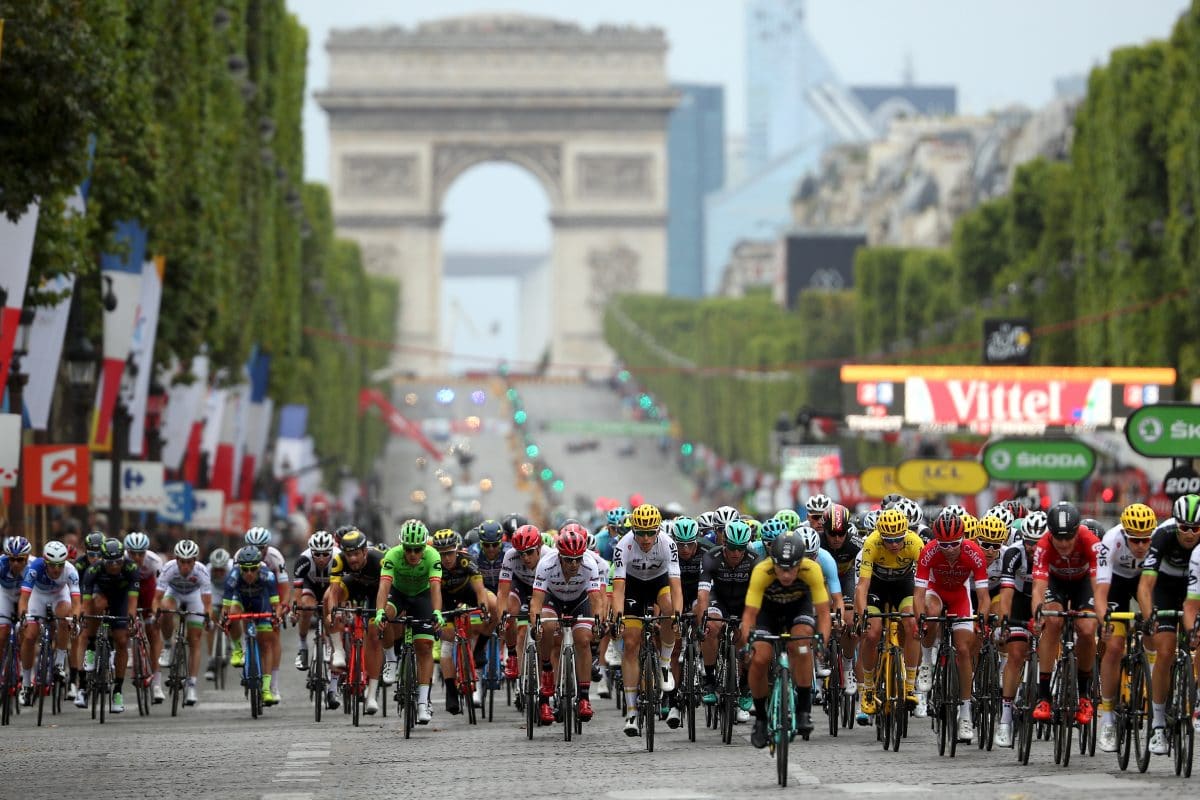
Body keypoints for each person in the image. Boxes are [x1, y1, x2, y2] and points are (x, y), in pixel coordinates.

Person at [741, 530, 831, 747]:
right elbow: (749, 615)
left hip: (797, 609)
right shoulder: (762, 570)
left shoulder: (812, 570)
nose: (787, 574)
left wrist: (822, 642)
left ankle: (803, 711)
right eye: (781, 567)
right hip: (767, 613)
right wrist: (746, 644)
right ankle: (761, 718)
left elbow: (824, 613)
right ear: (773, 561)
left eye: (792, 568)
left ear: (801, 562)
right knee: (759, 658)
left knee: (801, 645)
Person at [914, 512, 990, 743]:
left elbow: (984, 598)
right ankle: (927, 661)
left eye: (954, 544)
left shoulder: (974, 554)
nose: (948, 549)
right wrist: (920, 622)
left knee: (964, 650)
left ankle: (965, 713)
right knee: (932, 615)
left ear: (963, 538)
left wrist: (981, 622)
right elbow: (918, 594)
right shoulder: (928, 552)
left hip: (959, 595)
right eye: (943, 544)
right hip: (935, 592)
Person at [610, 503, 683, 736]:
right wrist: (618, 616)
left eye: (650, 532)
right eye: (640, 532)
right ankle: (632, 711)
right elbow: (619, 589)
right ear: (633, 531)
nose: (645, 538)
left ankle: (663, 664)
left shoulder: (668, 544)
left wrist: (678, 616)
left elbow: (676, 586)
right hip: (632, 588)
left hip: (658, 583)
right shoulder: (624, 546)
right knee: (631, 643)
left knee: (670, 609)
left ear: (658, 530)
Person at [1138, 493, 1200, 755]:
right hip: (1164, 586)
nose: (1189, 533)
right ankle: (1159, 725)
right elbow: (1145, 585)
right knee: (1164, 650)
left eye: (1196, 528)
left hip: (1194, 588)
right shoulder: (1161, 536)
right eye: (1184, 527)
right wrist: (1150, 614)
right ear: (1175, 523)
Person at [1031, 501, 1101, 727]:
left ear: (1076, 532)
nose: (1062, 543)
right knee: (1051, 621)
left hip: (1083, 584)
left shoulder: (1090, 541)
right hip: (1056, 584)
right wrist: (1037, 615)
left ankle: (1084, 695)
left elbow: (1098, 584)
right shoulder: (1043, 545)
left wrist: (1102, 614)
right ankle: (1043, 696)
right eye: (1057, 537)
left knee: (1088, 629)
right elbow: (1038, 587)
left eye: (1067, 538)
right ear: (1050, 534)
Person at [528, 523, 606, 725]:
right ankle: (546, 677)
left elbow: (597, 600)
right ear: (560, 556)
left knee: (583, 640)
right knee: (546, 627)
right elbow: (536, 601)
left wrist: (598, 622)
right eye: (569, 560)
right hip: (553, 599)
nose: (574, 564)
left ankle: (584, 697)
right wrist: (535, 623)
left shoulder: (589, 564)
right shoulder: (546, 563)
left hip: (579, 601)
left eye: (577, 559)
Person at [1095, 502, 1156, 752]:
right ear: (1124, 535)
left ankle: (1153, 678)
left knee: (1155, 629)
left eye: (1145, 540)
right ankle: (1108, 719)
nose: (1141, 546)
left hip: (1146, 581)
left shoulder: (1157, 544)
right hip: (1115, 583)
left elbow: (1154, 590)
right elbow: (1099, 590)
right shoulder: (1110, 541)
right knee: (1115, 647)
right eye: (1135, 540)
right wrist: (1103, 619)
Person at [376, 520, 443, 724]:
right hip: (399, 594)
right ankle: (390, 659)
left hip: (422, 596)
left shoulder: (433, 555)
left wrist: (437, 612)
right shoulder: (392, 555)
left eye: (417, 549)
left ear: (424, 546)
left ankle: (423, 704)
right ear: (402, 546)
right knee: (385, 617)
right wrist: (379, 612)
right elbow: (384, 586)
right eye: (408, 549)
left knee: (425, 646)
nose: (413, 554)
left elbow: (435, 589)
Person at [78, 539, 140, 712]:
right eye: (110, 562)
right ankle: (91, 646)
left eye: (118, 562)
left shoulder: (131, 568)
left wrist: (131, 617)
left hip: (121, 598)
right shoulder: (94, 569)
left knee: (121, 640)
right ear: (103, 560)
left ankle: (118, 691)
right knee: (95, 605)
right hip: (101, 593)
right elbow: (86, 600)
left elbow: (133, 601)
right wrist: (84, 613)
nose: (114, 566)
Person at [18, 541, 81, 706]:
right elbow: (24, 599)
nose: (56, 569)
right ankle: (26, 684)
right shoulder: (35, 568)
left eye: (60, 565)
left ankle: (59, 662)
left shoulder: (71, 571)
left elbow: (76, 602)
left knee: (64, 616)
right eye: (52, 565)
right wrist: (23, 615)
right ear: (45, 562)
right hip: (37, 597)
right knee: (30, 636)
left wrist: (74, 619)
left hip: (60, 597)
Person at [221, 546, 282, 704]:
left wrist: (277, 616)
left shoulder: (267, 575)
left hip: (261, 604)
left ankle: (267, 689)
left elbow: (276, 604)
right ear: (239, 567)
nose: (249, 573)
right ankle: (238, 650)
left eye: (253, 569)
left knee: (266, 644)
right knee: (233, 613)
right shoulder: (233, 575)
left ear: (259, 567)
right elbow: (225, 606)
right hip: (241, 601)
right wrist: (225, 617)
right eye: (245, 569)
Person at [155, 539, 213, 706]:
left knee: (194, 639)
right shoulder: (168, 568)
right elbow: (157, 598)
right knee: (165, 608)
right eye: (182, 561)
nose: (185, 566)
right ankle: (167, 645)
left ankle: (192, 684)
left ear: (195, 561)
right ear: (176, 559)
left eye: (189, 562)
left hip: (194, 596)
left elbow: (207, 602)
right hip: (174, 593)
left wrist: (207, 617)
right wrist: (156, 613)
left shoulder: (202, 571)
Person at [123, 531, 165, 703]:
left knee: (153, 631)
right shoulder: (122, 559)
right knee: (124, 621)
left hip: (148, 589)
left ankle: (157, 684)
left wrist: (156, 611)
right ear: (128, 552)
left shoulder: (155, 561)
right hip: (127, 587)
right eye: (133, 553)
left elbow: (161, 590)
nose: (137, 557)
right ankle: (129, 649)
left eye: (141, 553)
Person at [292, 531, 338, 672]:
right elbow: (298, 592)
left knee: (331, 612)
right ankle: (303, 646)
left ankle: (330, 643)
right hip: (310, 586)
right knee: (306, 608)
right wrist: (297, 610)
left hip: (331, 588)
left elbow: (344, 588)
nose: (321, 558)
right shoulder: (303, 560)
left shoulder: (339, 557)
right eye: (317, 554)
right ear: (311, 552)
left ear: (331, 551)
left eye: (325, 554)